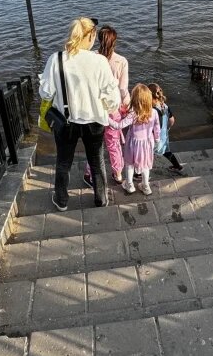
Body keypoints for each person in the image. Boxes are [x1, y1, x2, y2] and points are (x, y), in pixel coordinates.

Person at [39, 17, 120, 211]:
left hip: (65, 122)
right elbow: (113, 100)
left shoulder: (56, 59)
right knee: (97, 162)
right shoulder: (100, 61)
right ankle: (101, 199)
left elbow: (45, 93)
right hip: (94, 122)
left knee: (63, 162)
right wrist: (104, 107)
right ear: (92, 36)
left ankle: (61, 200)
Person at [85, 25, 130, 185]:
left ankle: (90, 173)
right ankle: (117, 173)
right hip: (113, 109)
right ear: (115, 42)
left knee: (94, 145)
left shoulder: (90, 58)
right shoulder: (121, 61)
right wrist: (127, 105)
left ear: (98, 40)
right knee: (113, 143)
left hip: (94, 110)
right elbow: (123, 89)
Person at [110, 84, 160, 195]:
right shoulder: (154, 112)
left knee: (129, 164)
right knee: (145, 165)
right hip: (147, 143)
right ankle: (146, 186)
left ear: (135, 99)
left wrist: (106, 119)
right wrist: (157, 140)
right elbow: (157, 128)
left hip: (133, 144)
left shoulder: (133, 114)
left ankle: (129, 185)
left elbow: (118, 126)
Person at [148, 83, 184, 173]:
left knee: (146, 154)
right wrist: (167, 128)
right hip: (164, 136)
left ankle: (139, 173)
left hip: (154, 138)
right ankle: (177, 166)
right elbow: (172, 120)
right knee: (166, 151)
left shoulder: (152, 110)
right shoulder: (165, 106)